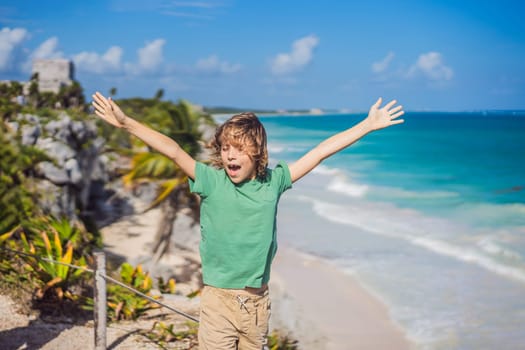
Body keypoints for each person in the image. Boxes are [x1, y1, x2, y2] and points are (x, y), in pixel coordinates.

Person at [91, 92, 404, 350]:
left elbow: (320, 152)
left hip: (257, 303)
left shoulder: (275, 182)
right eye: (226, 147)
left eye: (239, 149)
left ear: (258, 153)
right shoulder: (210, 181)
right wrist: (126, 123)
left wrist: (366, 125)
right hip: (217, 300)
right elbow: (173, 150)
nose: (230, 155)